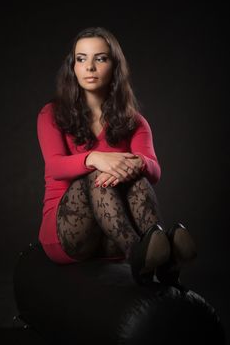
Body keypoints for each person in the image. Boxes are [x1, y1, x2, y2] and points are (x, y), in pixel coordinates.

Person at [37, 26, 196, 286]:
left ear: (114, 66)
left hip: (112, 235)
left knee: (139, 178)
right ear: (72, 67)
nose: (89, 67)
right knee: (98, 175)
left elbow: (154, 171)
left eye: (100, 58)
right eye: (81, 59)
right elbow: (55, 167)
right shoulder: (51, 114)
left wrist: (137, 164)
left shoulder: (135, 122)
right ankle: (151, 255)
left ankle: (152, 254)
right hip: (68, 233)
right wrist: (95, 158)